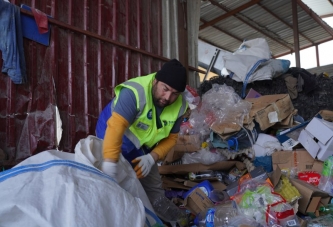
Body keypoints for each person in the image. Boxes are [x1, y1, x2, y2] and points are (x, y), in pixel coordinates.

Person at [95, 59, 188, 216]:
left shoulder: (180, 105)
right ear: (155, 81)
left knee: (154, 186)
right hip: (112, 136)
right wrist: (110, 164)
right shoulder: (134, 93)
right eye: (165, 89)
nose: (167, 97)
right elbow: (116, 128)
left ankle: (155, 219)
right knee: (113, 183)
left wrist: (152, 158)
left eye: (175, 94)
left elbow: (171, 138)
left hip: (142, 146)